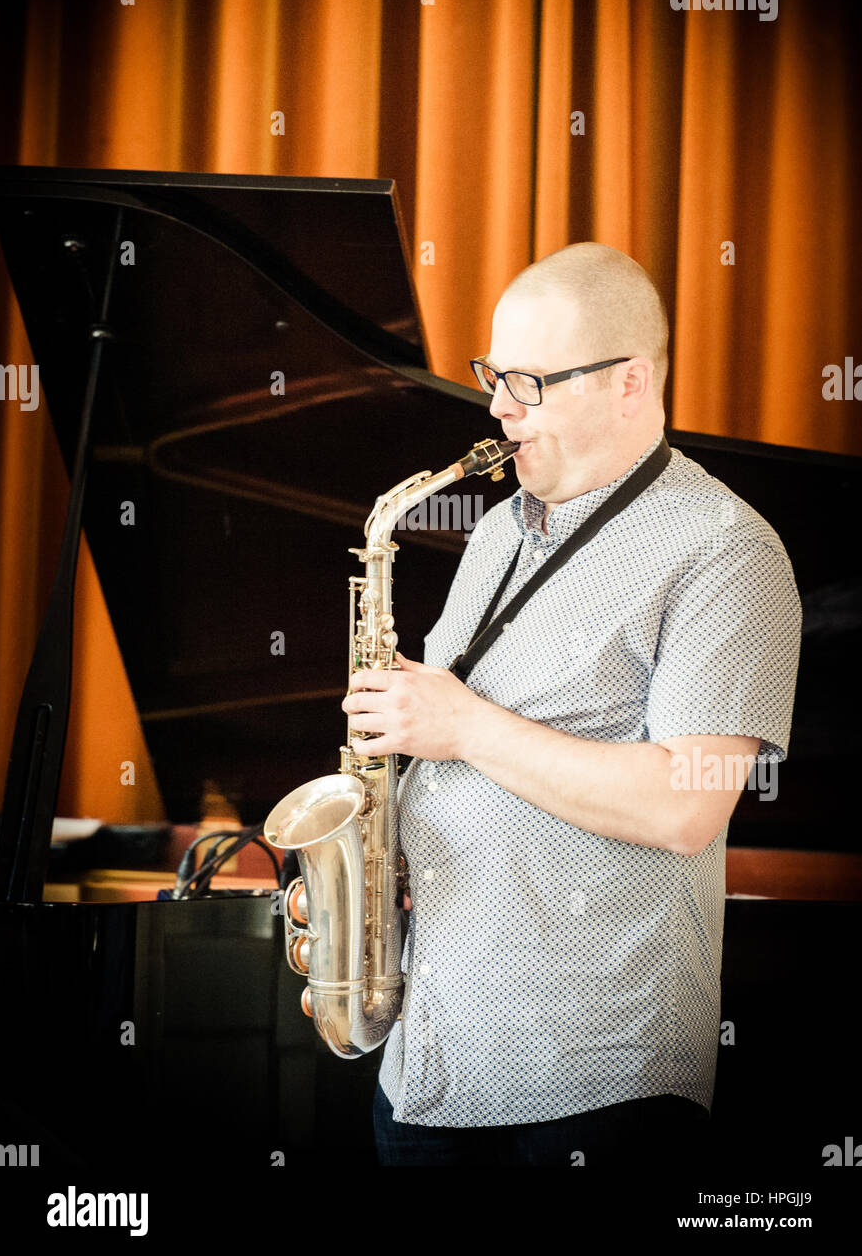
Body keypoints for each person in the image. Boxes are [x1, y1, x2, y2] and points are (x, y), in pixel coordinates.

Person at [342, 242, 802, 1169]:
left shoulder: (726, 553)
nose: (497, 407)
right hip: (430, 1064)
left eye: (529, 382)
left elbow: (683, 805)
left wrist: (462, 725)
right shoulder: (498, 530)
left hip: (593, 1082)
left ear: (629, 383)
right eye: (491, 375)